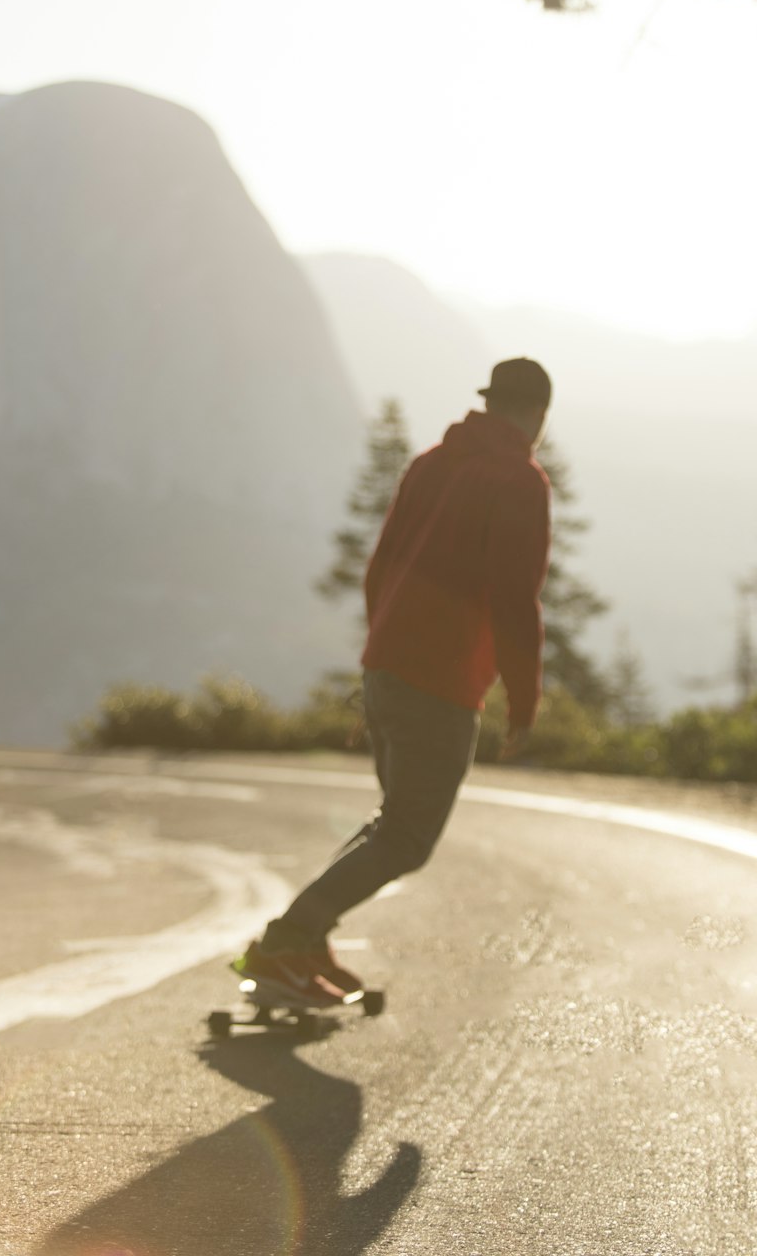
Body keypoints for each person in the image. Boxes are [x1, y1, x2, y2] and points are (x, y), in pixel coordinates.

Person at [235, 358, 553, 1006]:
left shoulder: (431, 463)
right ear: (538, 414)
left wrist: (378, 665)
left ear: (489, 402)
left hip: (388, 668)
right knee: (407, 836)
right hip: (439, 683)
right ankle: (285, 942)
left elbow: (380, 568)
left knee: (392, 823)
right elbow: (514, 596)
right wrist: (523, 701)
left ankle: (304, 938)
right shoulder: (518, 481)